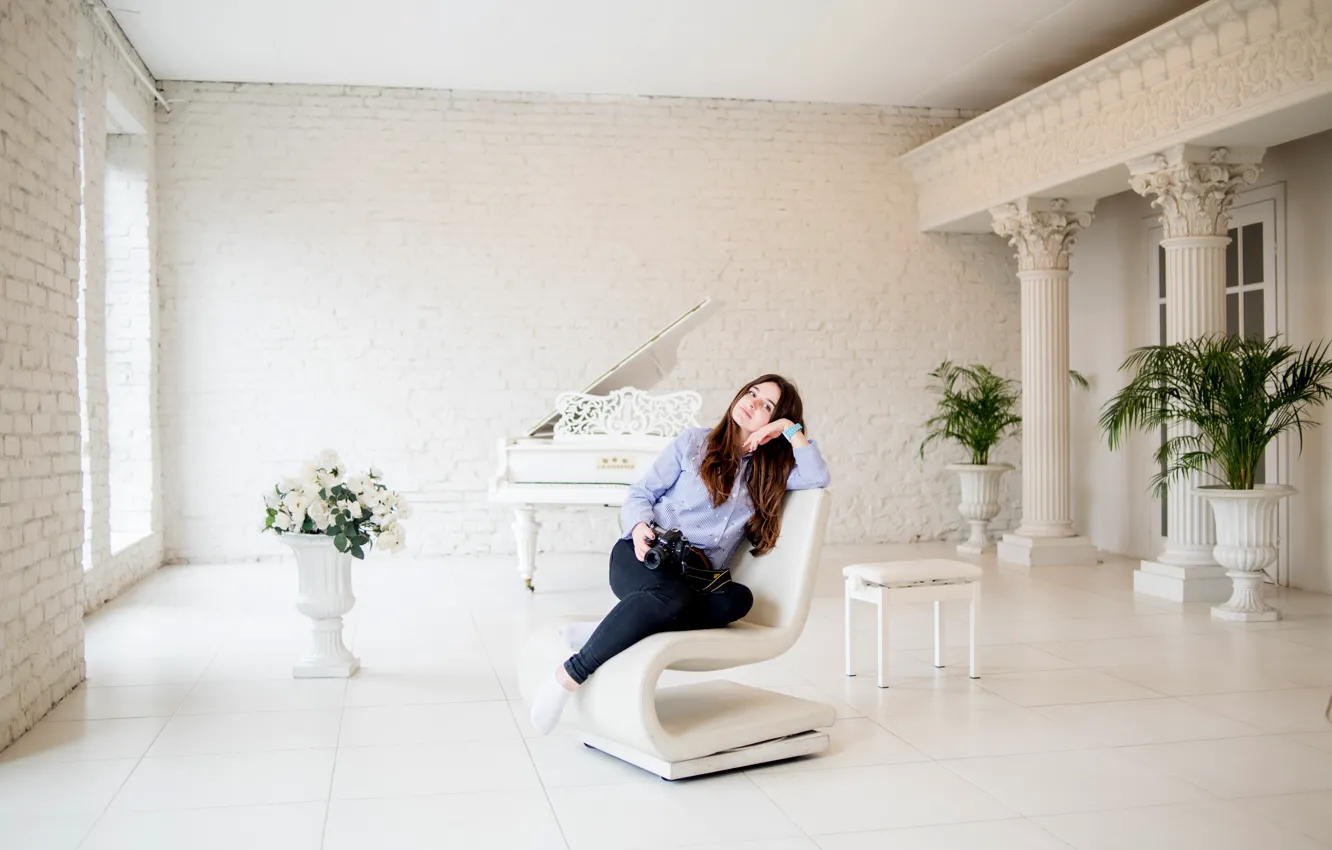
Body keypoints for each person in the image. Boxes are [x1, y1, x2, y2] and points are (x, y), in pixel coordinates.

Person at [529, 374, 831, 734]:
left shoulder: (770, 473)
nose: (752, 402)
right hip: (643, 555)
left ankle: (610, 629)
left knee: (736, 600)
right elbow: (641, 493)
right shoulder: (693, 442)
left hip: (695, 579)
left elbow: (816, 477)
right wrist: (639, 528)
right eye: (751, 392)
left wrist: (788, 428)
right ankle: (569, 675)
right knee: (670, 596)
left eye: (767, 405)